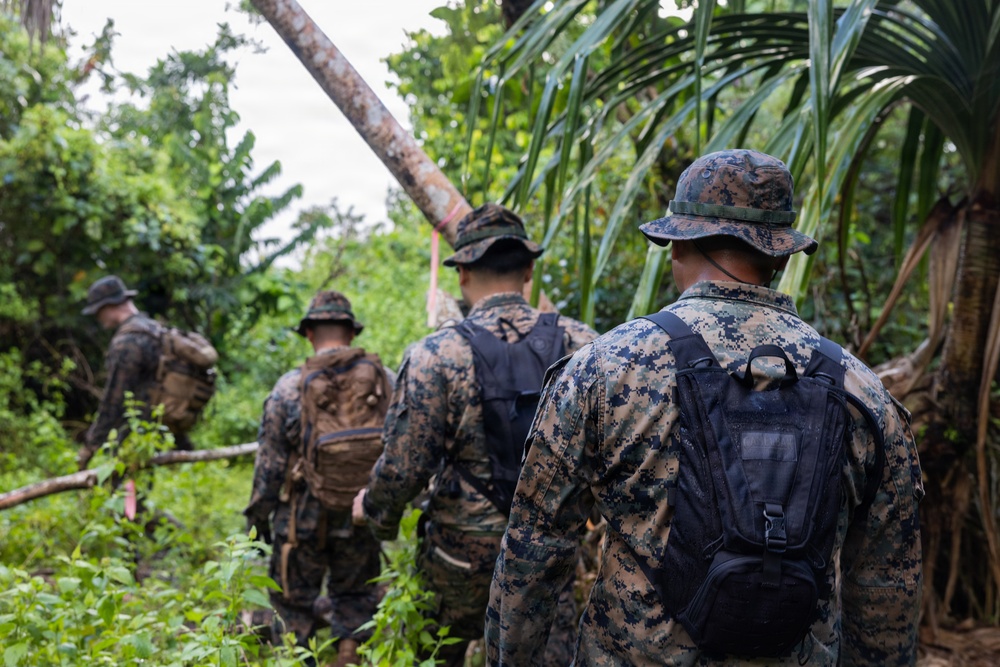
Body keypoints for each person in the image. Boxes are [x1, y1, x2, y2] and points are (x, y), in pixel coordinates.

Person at [486, 149, 924, 665]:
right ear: (781, 257)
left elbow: (533, 553)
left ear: (676, 244)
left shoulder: (606, 367)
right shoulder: (863, 391)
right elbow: (888, 587)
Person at [353, 203, 599, 666]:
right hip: (550, 556)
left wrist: (374, 512)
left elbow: (405, 465)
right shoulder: (583, 345)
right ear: (529, 269)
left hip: (458, 562)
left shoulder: (435, 354)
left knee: (437, 650)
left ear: (462, 273)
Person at [245, 291, 388, 667]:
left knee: (293, 603)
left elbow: (270, 466)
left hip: (301, 517)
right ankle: (348, 655)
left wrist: (258, 517)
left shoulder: (289, 387)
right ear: (351, 333)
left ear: (308, 332)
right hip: (360, 509)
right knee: (357, 596)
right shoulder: (382, 381)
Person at [78, 275, 192, 469]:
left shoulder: (127, 342)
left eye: (98, 312)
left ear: (109, 306)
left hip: (137, 430)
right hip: (160, 422)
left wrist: (91, 446)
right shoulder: (153, 328)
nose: (98, 318)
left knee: (125, 490)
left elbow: (113, 399)